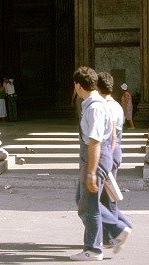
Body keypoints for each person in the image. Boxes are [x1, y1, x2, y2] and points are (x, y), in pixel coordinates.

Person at [70, 66, 131, 261]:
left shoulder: (95, 107)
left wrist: (92, 172)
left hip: (95, 157)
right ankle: (111, 233)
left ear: (78, 86)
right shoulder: (96, 104)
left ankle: (102, 242)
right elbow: (111, 134)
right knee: (83, 200)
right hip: (99, 156)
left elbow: (95, 141)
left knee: (89, 205)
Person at [97, 72, 133, 248]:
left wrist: (103, 160)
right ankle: (119, 229)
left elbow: (109, 137)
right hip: (116, 151)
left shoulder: (105, 106)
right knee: (108, 196)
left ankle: (115, 233)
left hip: (109, 152)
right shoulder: (116, 105)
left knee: (104, 199)